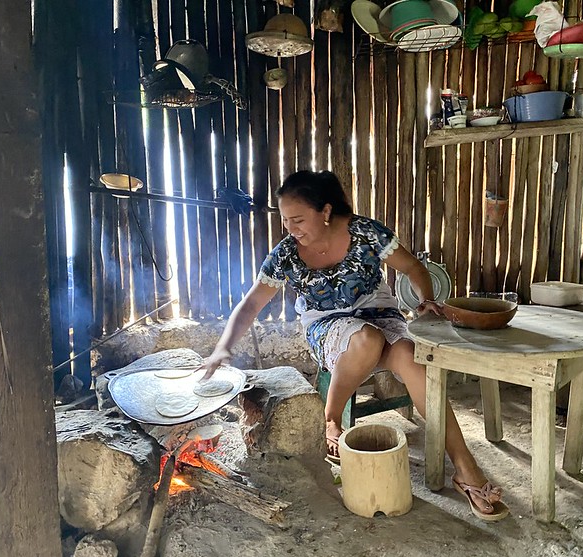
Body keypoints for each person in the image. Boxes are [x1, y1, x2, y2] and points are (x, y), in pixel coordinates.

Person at [204, 170, 508, 521]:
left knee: (411, 356)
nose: (291, 228)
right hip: (327, 325)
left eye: (298, 219)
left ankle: (465, 469)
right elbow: (251, 304)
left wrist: (426, 301)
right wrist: (223, 346)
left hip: (381, 314)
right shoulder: (286, 254)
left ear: (326, 211)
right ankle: (331, 419)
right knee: (366, 339)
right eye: (286, 220)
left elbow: (413, 268)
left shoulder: (366, 233)